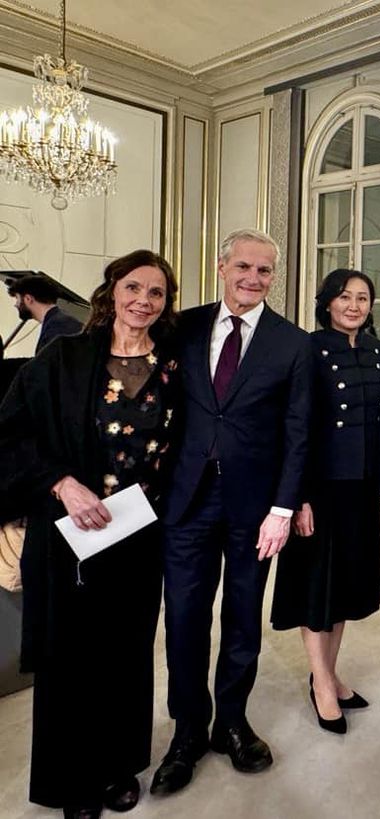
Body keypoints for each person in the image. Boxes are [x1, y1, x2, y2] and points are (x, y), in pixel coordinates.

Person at [0, 251, 180, 818]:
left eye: (156, 292)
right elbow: (10, 434)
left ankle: (118, 765)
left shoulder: (173, 367)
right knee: (71, 658)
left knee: (127, 651)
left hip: (139, 534)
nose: (143, 301)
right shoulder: (65, 358)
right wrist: (61, 483)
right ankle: (72, 781)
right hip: (71, 535)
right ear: (111, 291)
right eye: (133, 287)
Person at [151, 229, 312, 796]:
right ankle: (187, 732)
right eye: (243, 266)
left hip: (255, 507)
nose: (253, 278)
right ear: (222, 267)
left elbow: (299, 433)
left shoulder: (293, 343)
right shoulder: (182, 326)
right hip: (186, 500)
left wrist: (283, 508)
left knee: (243, 619)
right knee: (184, 620)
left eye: (264, 270)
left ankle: (233, 722)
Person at [271, 269, 380, 735]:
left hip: (361, 488)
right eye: (344, 297)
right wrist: (298, 498)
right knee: (317, 590)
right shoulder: (308, 349)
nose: (354, 306)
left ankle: (329, 674)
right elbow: (295, 427)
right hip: (319, 489)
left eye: (362, 298)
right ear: (327, 303)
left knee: (345, 590)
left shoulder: (379, 352)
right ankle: (321, 683)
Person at [7, 274, 83, 352]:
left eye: (17, 298)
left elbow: (48, 359)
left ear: (28, 299)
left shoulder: (56, 327)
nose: (16, 305)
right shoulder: (58, 321)